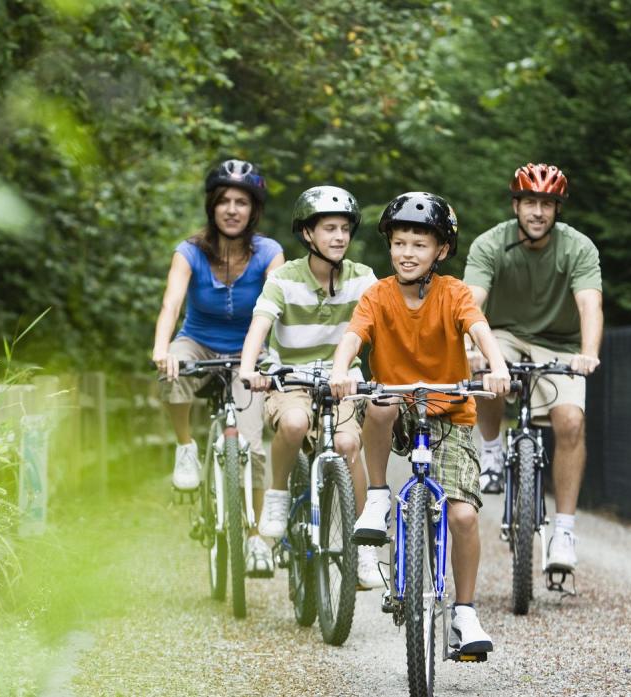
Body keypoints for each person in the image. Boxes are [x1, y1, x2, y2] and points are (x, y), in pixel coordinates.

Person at [329, 191, 511, 655]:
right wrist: (339, 369)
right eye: (399, 242)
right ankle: (375, 498)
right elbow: (353, 337)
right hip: (399, 409)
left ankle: (465, 612)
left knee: (463, 513)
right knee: (381, 400)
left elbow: (478, 328)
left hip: (448, 413)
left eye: (419, 244)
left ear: (441, 251)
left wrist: (496, 364)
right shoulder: (378, 295)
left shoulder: (454, 293)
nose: (407, 253)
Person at [463, 163, 602, 572]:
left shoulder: (578, 247)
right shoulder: (491, 244)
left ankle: (564, 531)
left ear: (557, 209)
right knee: (486, 375)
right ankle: (490, 453)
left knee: (570, 422)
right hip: (502, 334)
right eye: (530, 203)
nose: (538, 212)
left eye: (547, 203)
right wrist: (473, 347)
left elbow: (589, 304)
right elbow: (472, 303)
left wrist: (588, 352)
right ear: (515, 205)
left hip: (559, 343)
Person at [239, 185, 380, 588]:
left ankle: (364, 548)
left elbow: (387, 324)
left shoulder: (362, 278)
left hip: (341, 380)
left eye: (345, 229)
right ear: (307, 234)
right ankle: (279, 497)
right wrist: (250, 369)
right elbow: (259, 327)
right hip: (290, 380)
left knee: (350, 445)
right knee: (296, 422)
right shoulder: (283, 279)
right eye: (329, 228)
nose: (339, 237)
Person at [152, 158, 284, 576]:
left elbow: (280, 308)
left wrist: (273, 359)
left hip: (249, 353)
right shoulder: (189, 251)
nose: (232, 209)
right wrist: (163, 349)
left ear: (253, 209)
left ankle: (255, 538)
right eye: (224, 201)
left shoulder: (269, 253)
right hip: (201, 343)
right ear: (212, 206)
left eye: (241, 202)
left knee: (253, 447)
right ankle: (186, 446)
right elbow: (172, 303)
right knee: (173, 370)